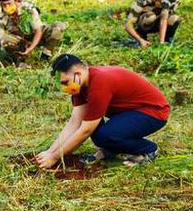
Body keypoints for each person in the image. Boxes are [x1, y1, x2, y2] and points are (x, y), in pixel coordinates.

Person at [35, 54, 169, 169]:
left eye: (65, 82)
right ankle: (111, 150)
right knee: (99, 135)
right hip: (128, 112)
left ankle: (149, 149)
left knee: (105, 135)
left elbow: (86, 130)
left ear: (77, 74)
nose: (64, 88)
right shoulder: (78, 86)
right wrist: (50, 152)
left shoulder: (99, 83)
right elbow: (74, 123)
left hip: (153, 112)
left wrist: (54, 157)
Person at [0, 0, 66, 68]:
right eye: (4, 5)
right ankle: (19, 60)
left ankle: (45, 56)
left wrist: (31, 48)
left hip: (37, 35)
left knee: (58, 27)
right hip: (22, 40)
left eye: (9, 3)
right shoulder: (3, 17)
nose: (7, 7)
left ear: (16, 1)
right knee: (5, 40)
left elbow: (38, 30)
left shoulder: (28, 10)